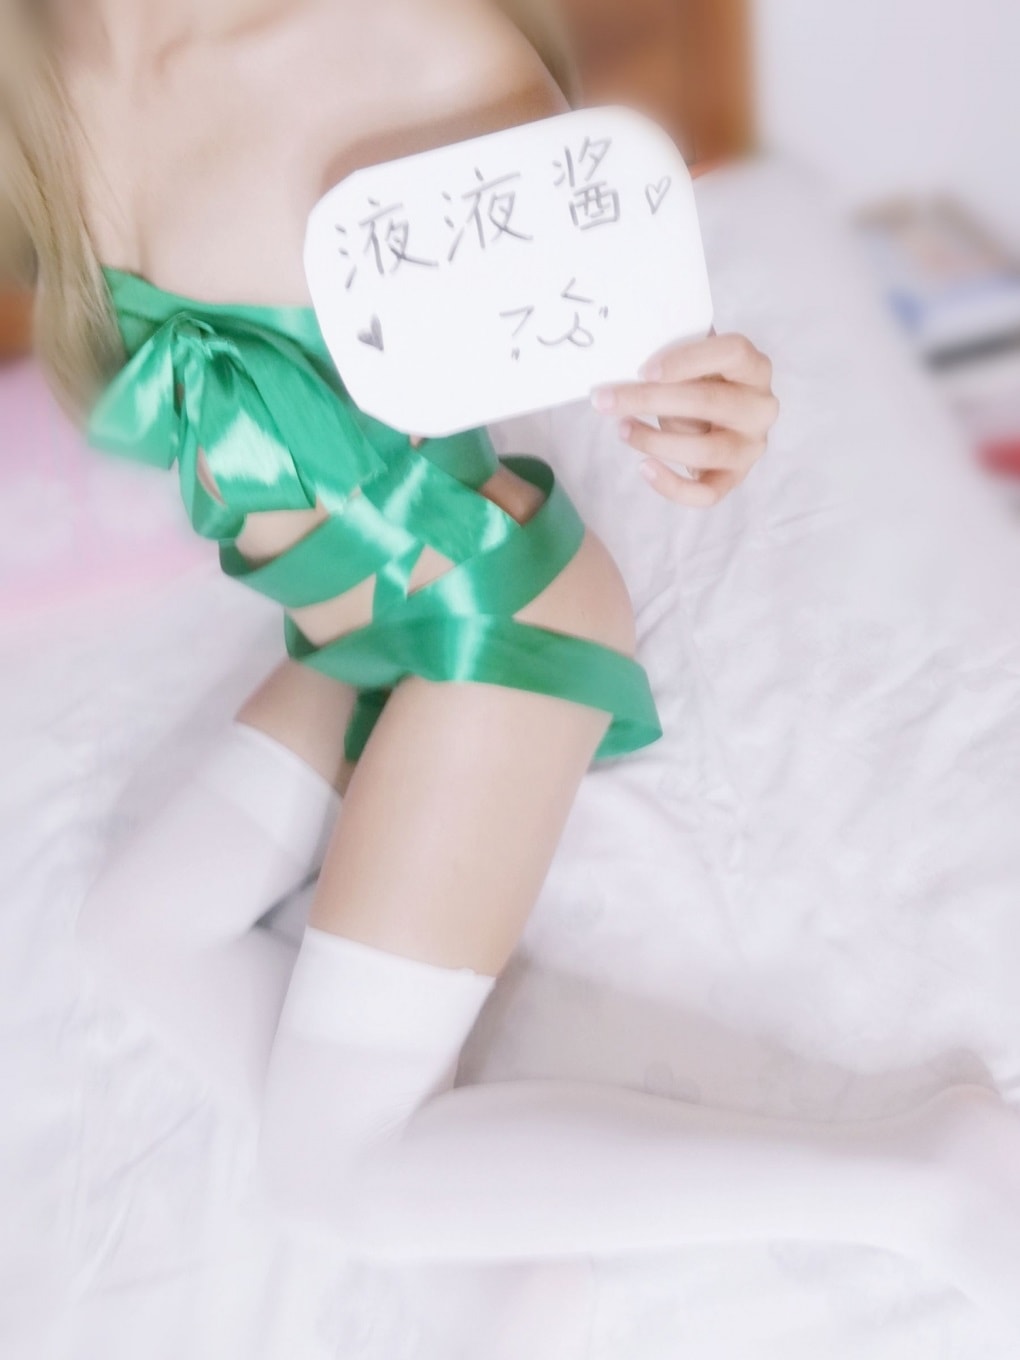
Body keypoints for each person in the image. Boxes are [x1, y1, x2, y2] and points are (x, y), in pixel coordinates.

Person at [4, 0, 1017, 1331]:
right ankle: (490, 1239)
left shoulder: (395, 43)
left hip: (491, 626)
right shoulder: (40, 80)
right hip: (348, 634)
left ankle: (925, 1181)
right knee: (131, 926)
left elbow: (641, 316)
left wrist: (708, 402)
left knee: (328, 1179)